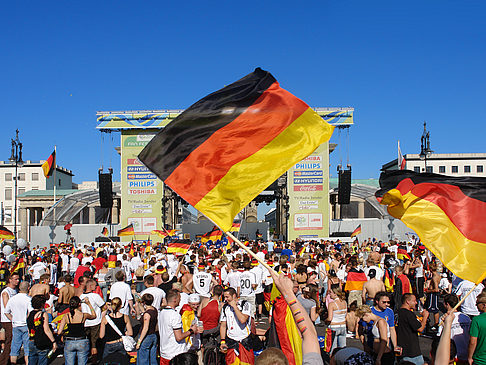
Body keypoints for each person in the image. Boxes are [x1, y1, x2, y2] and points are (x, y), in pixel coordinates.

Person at [257, 270, 324, 364]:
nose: (297, 288)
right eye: (295, 287)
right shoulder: (282, 304)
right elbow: (310, 334)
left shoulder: (295, 299)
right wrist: (288, 292)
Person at [159, 290, 199, 364]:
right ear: (175, 299)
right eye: (179, 298)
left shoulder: (162, 312)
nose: (180, 300)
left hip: (164, 352)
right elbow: (179, 337)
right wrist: (191, 330)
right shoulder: (174, 315)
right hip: (175, 354)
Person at [220, 287, 254, 365]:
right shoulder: (225, 308)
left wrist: (235, 307)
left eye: (227, 297)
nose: (225, 299)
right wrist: (222, 341)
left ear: (234, 296)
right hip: (231, 341)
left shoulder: (245, 304)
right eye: (224, 297)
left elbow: (243, 320)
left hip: (244, 340)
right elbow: (223, 326)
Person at [57, 296, 96, 365]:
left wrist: (64, 333)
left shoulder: (66, 316)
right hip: (82, 340)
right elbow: (94, 316)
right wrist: (89, 304)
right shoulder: (83, 315)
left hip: (70, 341)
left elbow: (59, 331)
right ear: (79, 304)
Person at [396, 293, 429, 365]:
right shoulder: (409, 314)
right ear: (407, 301)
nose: (416, 303)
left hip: (400, 348)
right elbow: (420, 328)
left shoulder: (396, 313)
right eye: (414, 301)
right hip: (412, 351)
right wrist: (425, 317)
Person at [437, 293, 471, 363]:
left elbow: (440, 337)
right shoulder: (466, 317)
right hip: (466, 354)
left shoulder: (444, 319)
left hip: (452, 356)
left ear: (447, 304)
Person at [5, 281, 31, 365]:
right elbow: (30, 312)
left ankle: (13, 363)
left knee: (15, 347)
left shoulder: (13, 299)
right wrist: (26, 319)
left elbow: (6, 312)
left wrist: (13, 319)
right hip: (25, 325)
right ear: (28, 288)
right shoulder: (28, 299)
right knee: (27, 348)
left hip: (16, 325)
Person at [80, 279, 106, 363]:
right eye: (95, 285)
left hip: (85, 323)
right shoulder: (95, 296)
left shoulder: (81, 297)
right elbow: (104, 307)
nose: (96, 286)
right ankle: (95, 361)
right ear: (90, 286)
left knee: (87, 343)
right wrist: (102, 317)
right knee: (94, 344)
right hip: (95, 322)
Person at [27, 295, 57, 365]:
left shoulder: (30, 314)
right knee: (42, 360)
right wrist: (53, 341)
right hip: (41, 341)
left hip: (31, 340)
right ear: (42, 304)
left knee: (31, 360)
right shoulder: (43, 314)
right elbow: (46, 329)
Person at [0, 272, 19, 365]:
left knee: (13, 341)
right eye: (15, 279)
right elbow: (7, 307)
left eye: (18, 279)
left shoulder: (15, 291)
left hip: (15, 319)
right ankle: (3, 361)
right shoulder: (6, 292)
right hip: (7, 319)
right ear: (10, 280)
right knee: (9, 341)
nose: (17, 281)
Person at [136, 294, 158, 365]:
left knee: (143, 359)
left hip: (146, 337)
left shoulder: (147, 314)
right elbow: (144, 311)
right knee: (153, 357)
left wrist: (139, 341)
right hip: (153, 335)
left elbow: (145, 328)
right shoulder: (154, 310)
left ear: (144, 302)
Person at [326, 287, 347, 352]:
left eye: (331, 292)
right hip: (343, 326)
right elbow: (346, 315)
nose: (330, 294)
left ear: (335, 294)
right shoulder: (344, 302)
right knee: (343, 348)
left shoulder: (331, 304)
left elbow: (330, 318)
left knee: (332, 348)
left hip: (334, 327)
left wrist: (325, 320)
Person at [468, 292, 486, 365]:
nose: (476, 305)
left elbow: (473, 342)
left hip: (480, 359)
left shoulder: (476, 320)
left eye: (477, 303)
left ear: (484, 305)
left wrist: (470, 357)